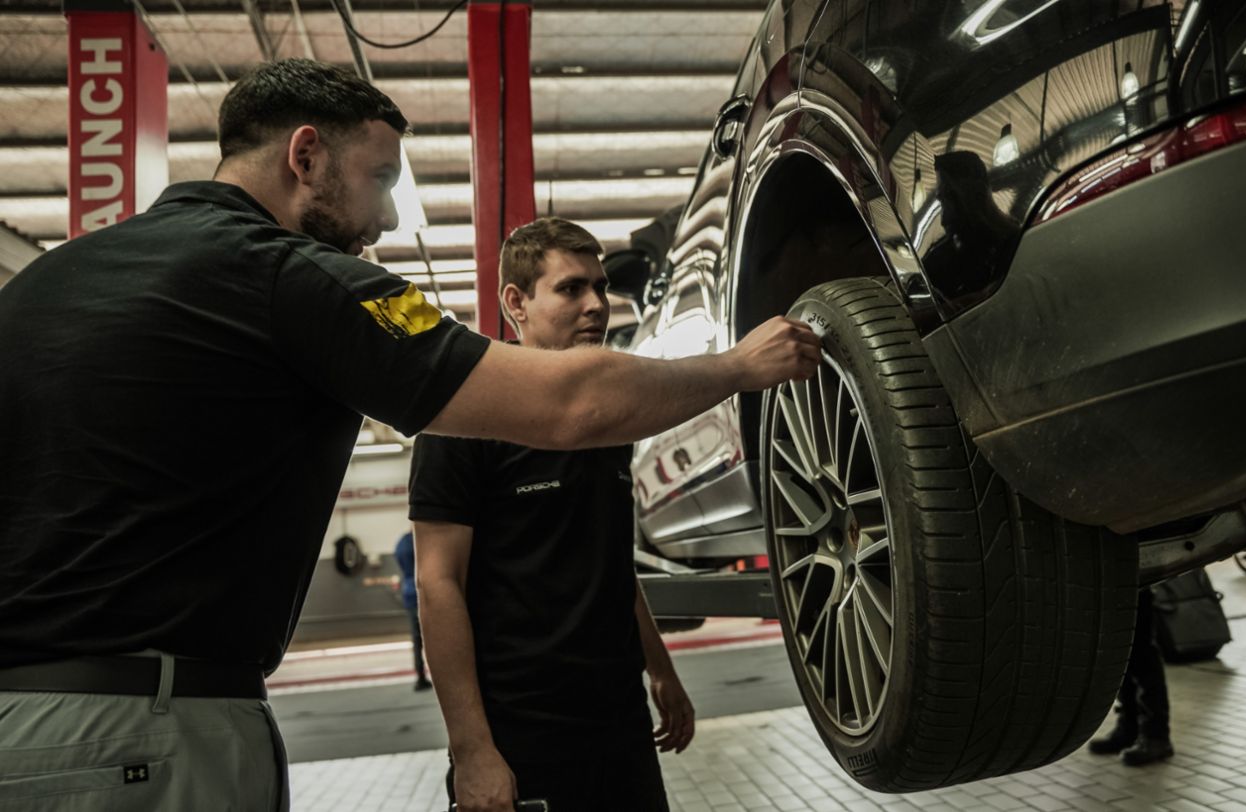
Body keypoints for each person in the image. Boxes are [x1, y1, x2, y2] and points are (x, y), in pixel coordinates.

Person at [0, 58, 819, 811]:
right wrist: (738, 367)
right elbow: (570, 405)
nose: (385, 218)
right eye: (381, 179)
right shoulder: (287, 275)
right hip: (147, 740)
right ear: (306, 155)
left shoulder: (47, 282)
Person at [410, 218, 692, 812]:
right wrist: (472, 750)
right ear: (517, 303)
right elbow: (438, 586)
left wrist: (660, 668)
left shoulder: (608, 422)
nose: (596, 305)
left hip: (620, 726)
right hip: (523, 737)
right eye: (570, 289)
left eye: (600, 286)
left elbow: (609, 559)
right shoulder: (463, 420)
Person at [1088, 587, 1174, 766]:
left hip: (1135, 582)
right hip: (1112, 584)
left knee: (1142, 653)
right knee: (1121, 653)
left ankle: (1156, 736)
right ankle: (1129, 729)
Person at [394, 530, 431, 691]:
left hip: (409, 591)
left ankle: (420, 676)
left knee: (417, 639)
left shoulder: (401, 543)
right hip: (424, 591)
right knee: (435, 638)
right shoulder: (422, 540)